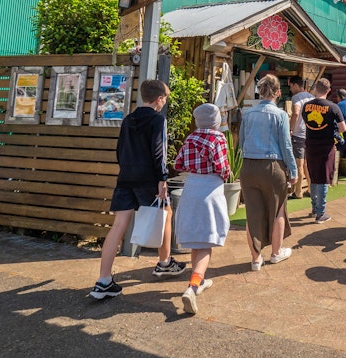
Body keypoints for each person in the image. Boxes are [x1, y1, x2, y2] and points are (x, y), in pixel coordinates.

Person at [89, 79, 186, 300]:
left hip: (126, 177)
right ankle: (164, 262)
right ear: (159, 98)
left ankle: (104, 280)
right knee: (165, 214)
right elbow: (159, 151)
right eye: (164, 99)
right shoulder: (157, 120)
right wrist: (162, 180)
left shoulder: (128, 119)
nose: (164, 103)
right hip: (148, 179)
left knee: (118, 225)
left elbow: (120, 150)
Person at [173, 103, 231, 315]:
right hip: (210, 189)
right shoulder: (218, 138)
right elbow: (223, 167)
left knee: (196, 240)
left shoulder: (190, 138)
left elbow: (178, 164)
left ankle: (200, 279)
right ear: (216, 121)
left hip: (191, 187)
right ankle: (193, 286)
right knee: (207, 242)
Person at [240, 74, 297, 270]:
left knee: (252, 212)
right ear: (278, 92)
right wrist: (294, 169)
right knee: (278, 209)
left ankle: (255, 259)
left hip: (249, 165)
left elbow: (241, 142)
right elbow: (286, 146)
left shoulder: (247, 114)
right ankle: (276, 252)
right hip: (273, 166)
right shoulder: (281, 115)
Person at [303, 78, 346, 223]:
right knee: (324, 178)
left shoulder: (306, 106)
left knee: (314, 177)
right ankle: (320, 213)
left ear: (316, 89)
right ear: (328, 90)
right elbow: (343, 128)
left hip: (310, 145)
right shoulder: (333, 107)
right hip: (326, 146)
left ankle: (315, 208)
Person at [287, 76, 313, 198]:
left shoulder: (296, 98)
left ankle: (298, 192)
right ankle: (310, 188)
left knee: (299, 164)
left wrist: (290, 129)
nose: (291, 89)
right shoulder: (311, 97)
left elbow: (296, 112)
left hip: (299, 134)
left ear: (296, 85)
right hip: (310, 134)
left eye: (291, 86)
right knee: (307, 164)